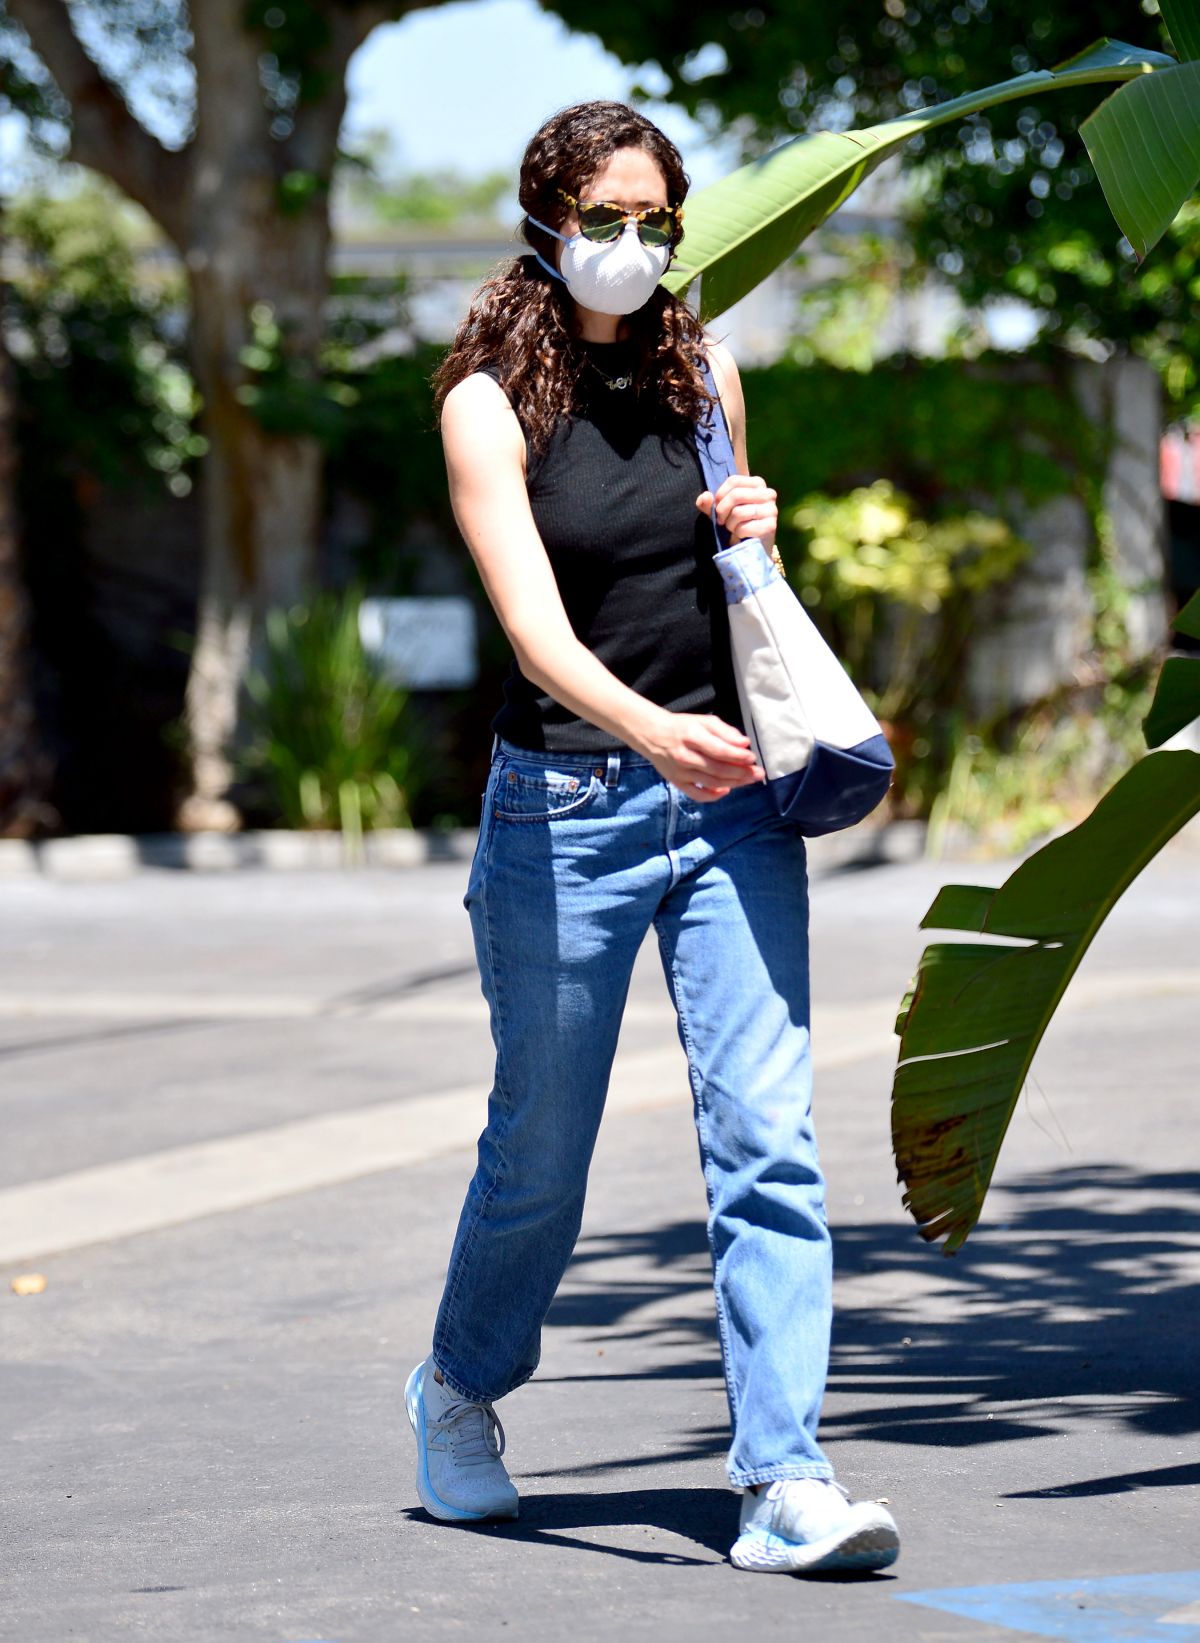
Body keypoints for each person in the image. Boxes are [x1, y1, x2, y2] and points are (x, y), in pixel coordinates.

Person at [404, 100, 899, 1577]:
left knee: (768, 1139)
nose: (632, 246)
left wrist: (753, 524)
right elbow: (538, 634)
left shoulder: (708, 374)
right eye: (604, 220)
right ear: (546, 223)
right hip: (564, 803)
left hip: (730, 803)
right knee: (540, 1153)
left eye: (656, 222)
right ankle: (459, 1390)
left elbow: (733, 585)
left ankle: (784, 1481)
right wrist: (646, 731)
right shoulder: (487, 403)